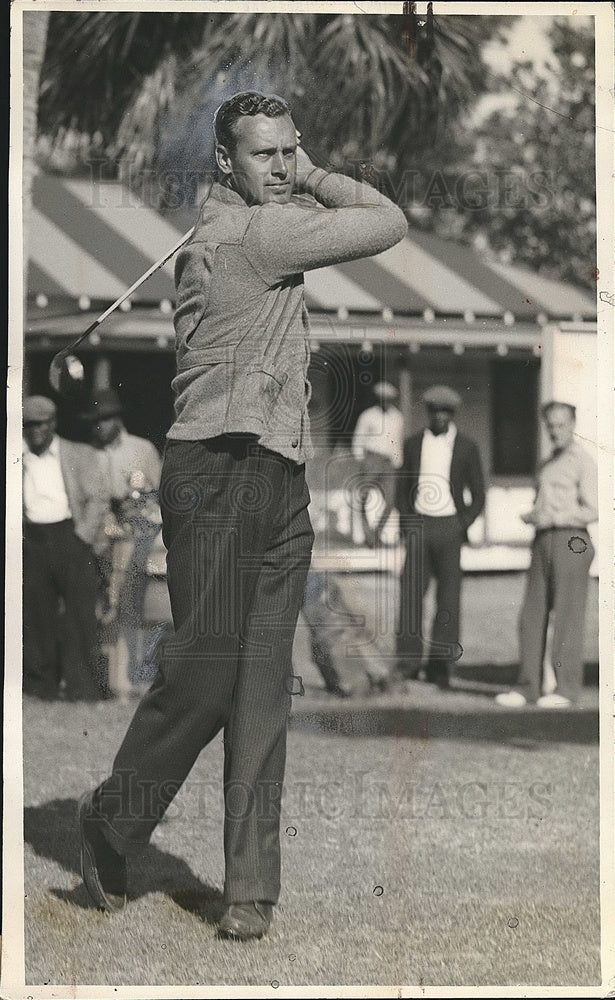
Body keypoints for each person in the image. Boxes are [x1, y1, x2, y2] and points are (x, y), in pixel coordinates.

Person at [78, 91, 408, 939]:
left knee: (262, 689)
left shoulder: (232, 229)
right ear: (225, 161)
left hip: (278, 475)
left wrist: (292, 173)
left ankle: (250, 890)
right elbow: (386, 221)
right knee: (202, 673)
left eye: (290, 151)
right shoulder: (259, 235)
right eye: (266, 155)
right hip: (215, 470)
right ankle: (111, 821)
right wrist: (321, 173)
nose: (285, 167)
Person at [495, 402, 598, 709]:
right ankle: (528, 687)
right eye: (551, 425)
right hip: (543, 540)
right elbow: (544, 503)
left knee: (567, 615)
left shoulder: (583, 462)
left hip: (572, 540)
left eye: (562, 424)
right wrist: (534, 515)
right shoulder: (546, 464)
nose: (556, 431)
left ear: (573, 424)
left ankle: (565, 690)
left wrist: (553, 517)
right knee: (531, 615)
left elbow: (592, 509)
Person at [396, 385, 485, 688]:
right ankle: (408, 664)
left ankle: (440, 667)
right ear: (428, 413)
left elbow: (479, 494)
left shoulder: (466, 447)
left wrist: (462, 523)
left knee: (448, 601)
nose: (439, 418)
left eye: (445, 412)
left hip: (449, 527)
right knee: (410, 598)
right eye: (434, 412)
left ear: (453, 414)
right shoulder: (412, 444)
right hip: (419, 526)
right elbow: (402, 487)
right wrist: (408, 523)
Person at [22, 395, 110, 701]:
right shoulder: (17, 456)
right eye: (27, 425)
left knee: (80, 616)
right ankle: (40, 686)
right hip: (32, 539)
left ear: (52, 424)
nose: (33, 431)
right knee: (36, 615)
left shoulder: (77, 454)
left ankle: (83, 688)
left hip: (69, 536)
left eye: (39, 424)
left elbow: (99, 498)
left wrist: (83, 535)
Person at [83, 389, 163, 693]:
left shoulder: (141, 449)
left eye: (103, 420)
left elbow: (158, 496)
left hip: (137, 539)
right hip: (100, 539)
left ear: (117, 419)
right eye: (94, 422)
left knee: (132, 605)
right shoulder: (88, 453)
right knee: (103, 607)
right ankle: (109, 679)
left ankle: (135, 676)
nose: (98, 427)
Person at [351, 381, 404, 546]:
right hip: (372, 458)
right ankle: (367, 535)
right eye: (382, 398)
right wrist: (361, 459)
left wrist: (397, 461)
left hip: (389, 461)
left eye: (388, 399)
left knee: (390, 500)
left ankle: (376, 534)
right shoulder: (368, 415)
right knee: (364, 498)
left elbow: (397, 441)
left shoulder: (397, 417)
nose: (385, 402)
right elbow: (358, 438)